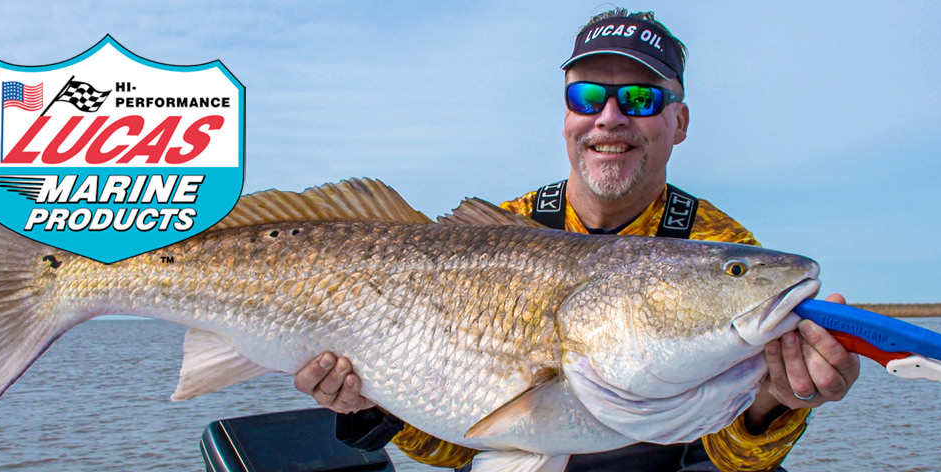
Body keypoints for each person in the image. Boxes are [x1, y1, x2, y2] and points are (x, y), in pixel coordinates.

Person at [294, 8, 861, 471]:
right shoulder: (500, 233)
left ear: (679, 122)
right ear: (566, 116)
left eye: (640, 100)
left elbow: (734, 460)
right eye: (588, 97)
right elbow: (454, 448)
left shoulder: (717, 247)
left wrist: (776, 401)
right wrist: (379, 407)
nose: (610, 118)